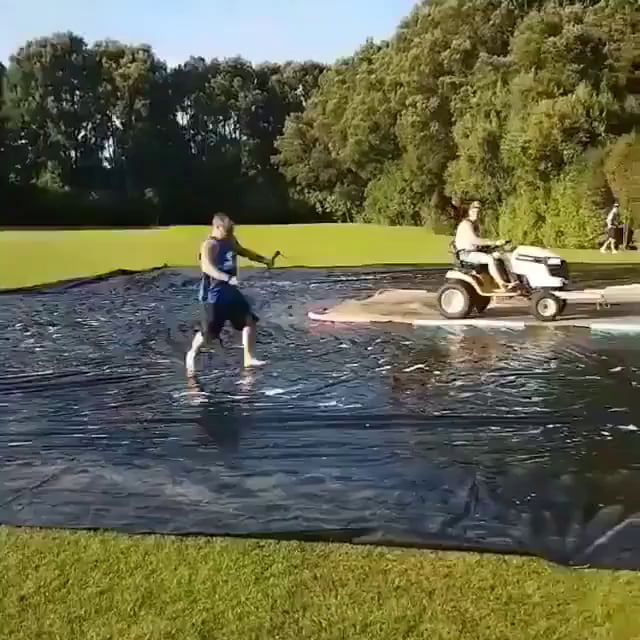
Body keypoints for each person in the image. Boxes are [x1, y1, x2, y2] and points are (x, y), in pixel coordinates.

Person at [185, 213, 276, 376]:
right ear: (217, 227)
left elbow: (244, 252)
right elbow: (207, 268)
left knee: (249, 320)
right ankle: (192, 353)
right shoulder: (209, 245)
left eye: (232, 231)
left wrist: (264, 260)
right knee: (210, 334)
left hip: (231, 292)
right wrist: (227, 278)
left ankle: (249, 358)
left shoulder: (230, 240)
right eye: (227, 231)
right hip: (214, 294)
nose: (230, 234)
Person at [454, 201, 515, 292]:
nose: (476, 214)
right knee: (489, 259)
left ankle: (513, 280)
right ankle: (502, 284)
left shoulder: (475, 225)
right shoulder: (466, 224)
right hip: (466, 254)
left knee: (500, 255)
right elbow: (475, 240)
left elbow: (479, 242)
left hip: (473, 252)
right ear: (470, 211)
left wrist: (494, 244)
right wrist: (494, 242)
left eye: (478, 212)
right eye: (474, 211)